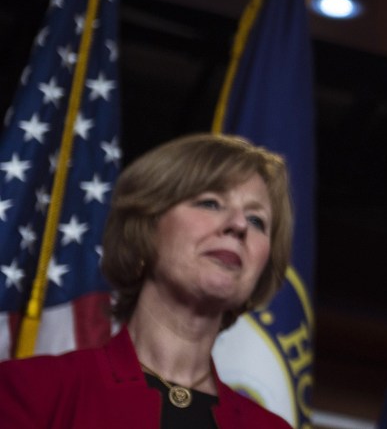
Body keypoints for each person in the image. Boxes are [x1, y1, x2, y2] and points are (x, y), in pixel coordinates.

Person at [0, 133, 294, 429]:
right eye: (211, 203)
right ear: (146, 228)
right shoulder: (30, 390)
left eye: (257, 221)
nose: (239, 225)